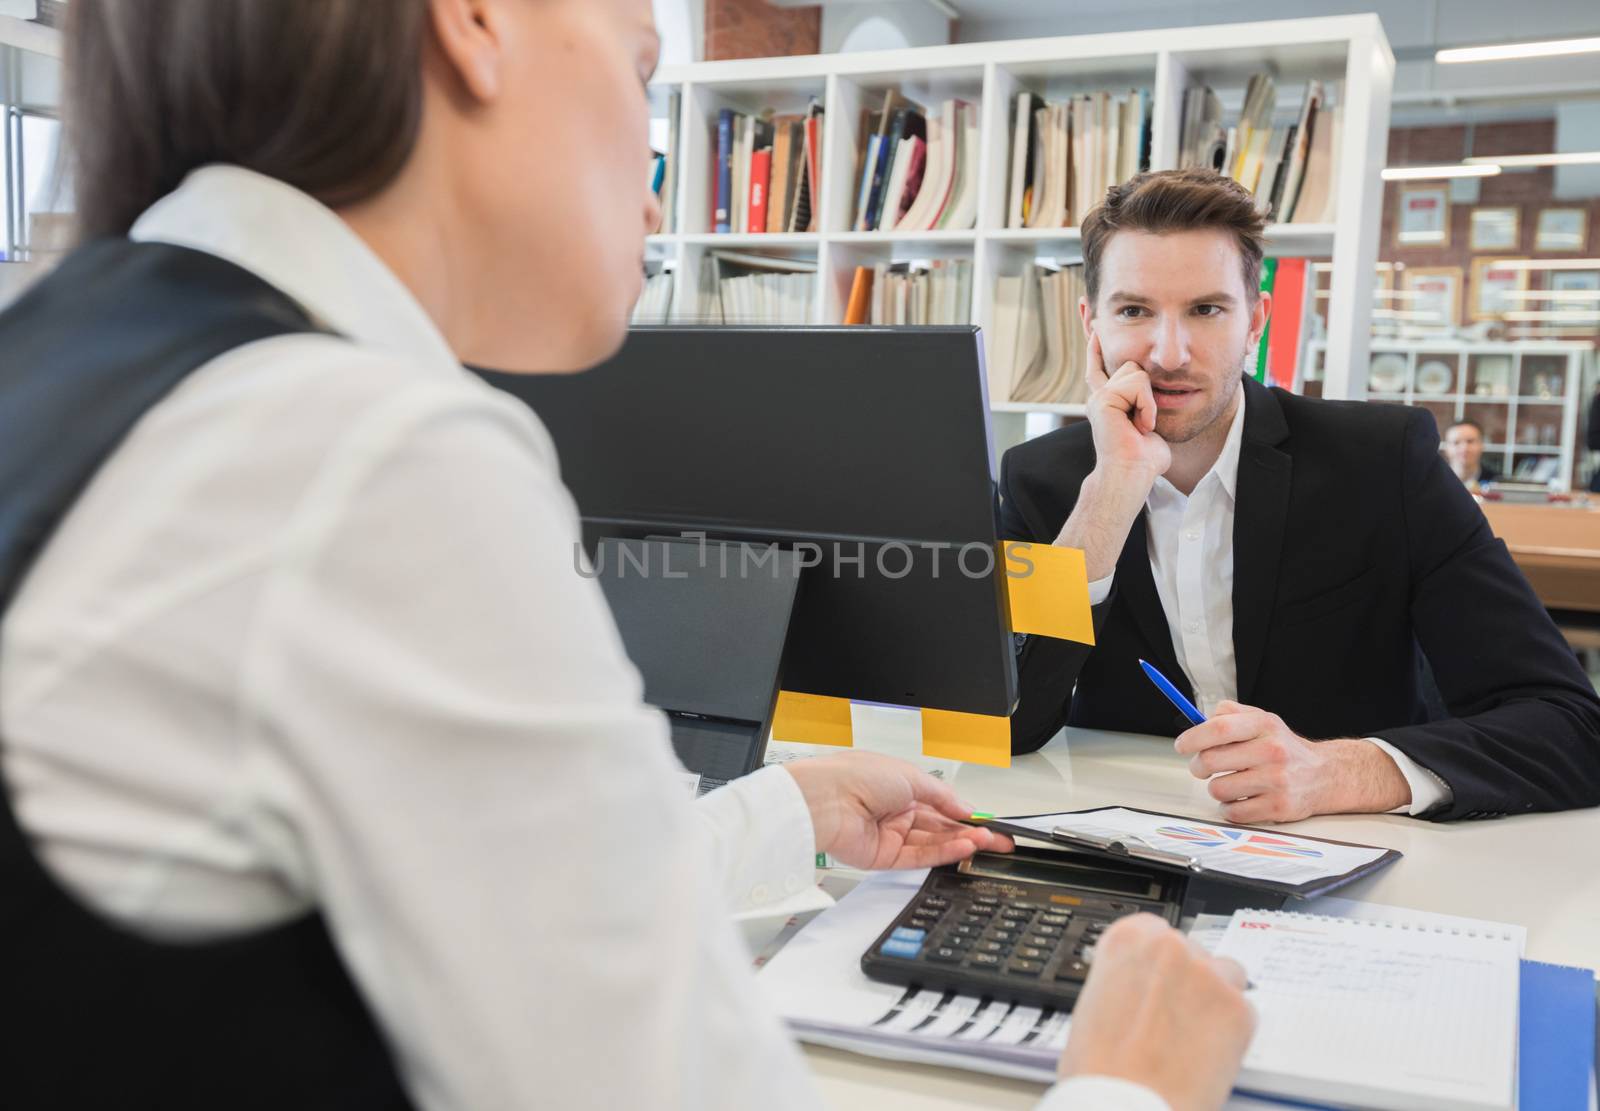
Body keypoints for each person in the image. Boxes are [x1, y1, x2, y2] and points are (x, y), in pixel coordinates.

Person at [0, 2, 1255, 1109]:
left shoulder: (77, 358)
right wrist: (1124, 1083)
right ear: (476, 22)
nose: (657, 191)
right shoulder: (374, 455)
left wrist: (779, 811)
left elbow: (482, 893)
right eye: (641, 70)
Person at [1001, 168, 1600, 823]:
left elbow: (1571, 725)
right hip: (1134, 844)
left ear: (1255, 320)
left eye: (1206, 309)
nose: (1167, 353)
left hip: (1365, 849)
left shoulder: (1383, 461)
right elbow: (1002, 725)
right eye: (1134, 310)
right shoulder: (1046, 483)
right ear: (1092, 325)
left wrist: (1340, 771)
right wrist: (1109, 497)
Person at [1443, 419, 1500, 487]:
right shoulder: (1431, 481)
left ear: (1482, 445)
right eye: (1456, 442)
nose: (1464, 448)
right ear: (1446, 448)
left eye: (1470, 441)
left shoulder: (1498, 483)